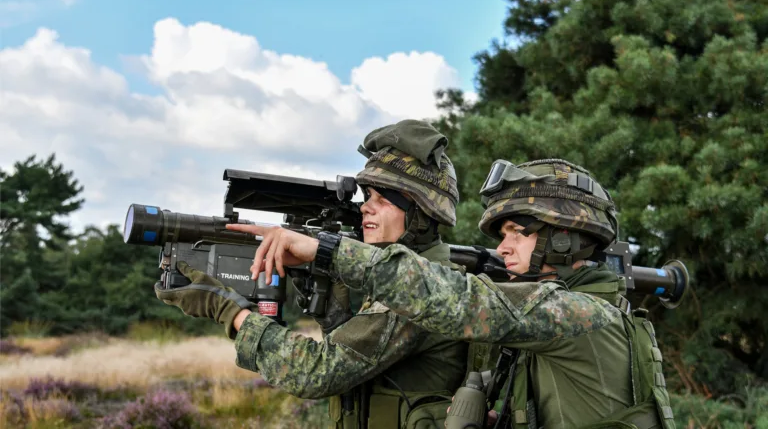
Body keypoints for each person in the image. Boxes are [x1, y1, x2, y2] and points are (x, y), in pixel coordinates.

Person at [229, 158, 677, 429]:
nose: (502, 248)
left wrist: (325, 251)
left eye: (518, 233)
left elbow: (458, 301)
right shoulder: (571, 313)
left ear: (569, 239)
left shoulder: (579, 315)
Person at [156, 119, 469, 429]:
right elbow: (363, 365)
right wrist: (333, 314)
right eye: (367, 197)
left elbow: (316, 372)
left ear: (422, 213)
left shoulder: (422, 287)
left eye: (383, 200)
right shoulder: (403, 275)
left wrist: (227, 310)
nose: (365, 208)